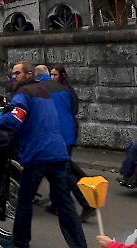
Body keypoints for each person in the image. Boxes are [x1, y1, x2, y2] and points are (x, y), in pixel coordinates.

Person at [0, 61, 86, 248]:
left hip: (37, 153)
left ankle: (20, 243)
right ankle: (79, 245)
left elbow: (15, 120)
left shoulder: (24, 93)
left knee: (25, 201)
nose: (13, 77)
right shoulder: (44, 92)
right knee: (65, 204)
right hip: (57, 152)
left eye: (17, 73)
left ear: (28, 74)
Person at [39, 65, 93, 222]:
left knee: (63, 171)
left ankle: (86, 203)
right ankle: (57, 203)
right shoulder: (64, 90)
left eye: (55, 74)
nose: (53, 76)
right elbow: (72, 110)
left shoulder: (42, 89)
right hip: (66, 133)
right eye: (51, 74)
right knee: (62, 169)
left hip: (57, 136)